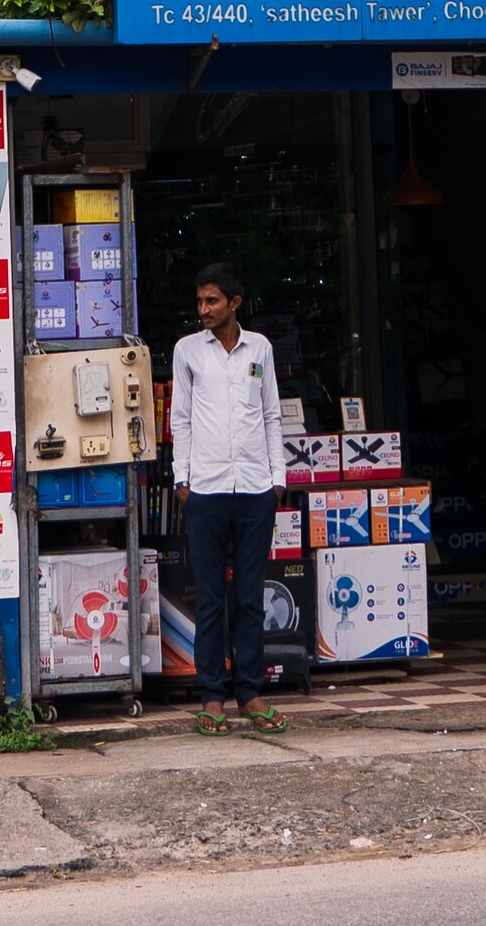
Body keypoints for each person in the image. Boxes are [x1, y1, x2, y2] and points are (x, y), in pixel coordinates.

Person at [167, 263, 289, 733]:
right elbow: (181, 419)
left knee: (252, 597)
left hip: (256, 487)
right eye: (200, 302)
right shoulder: (187, 352)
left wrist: (277, 478)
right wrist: (183, 480)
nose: (204, 310)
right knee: (212, 598)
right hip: (207, 488)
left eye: (212, 301)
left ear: (234, 303)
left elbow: (272, 416)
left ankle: (251, 694)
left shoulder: (260, 348)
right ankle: (212, 695)